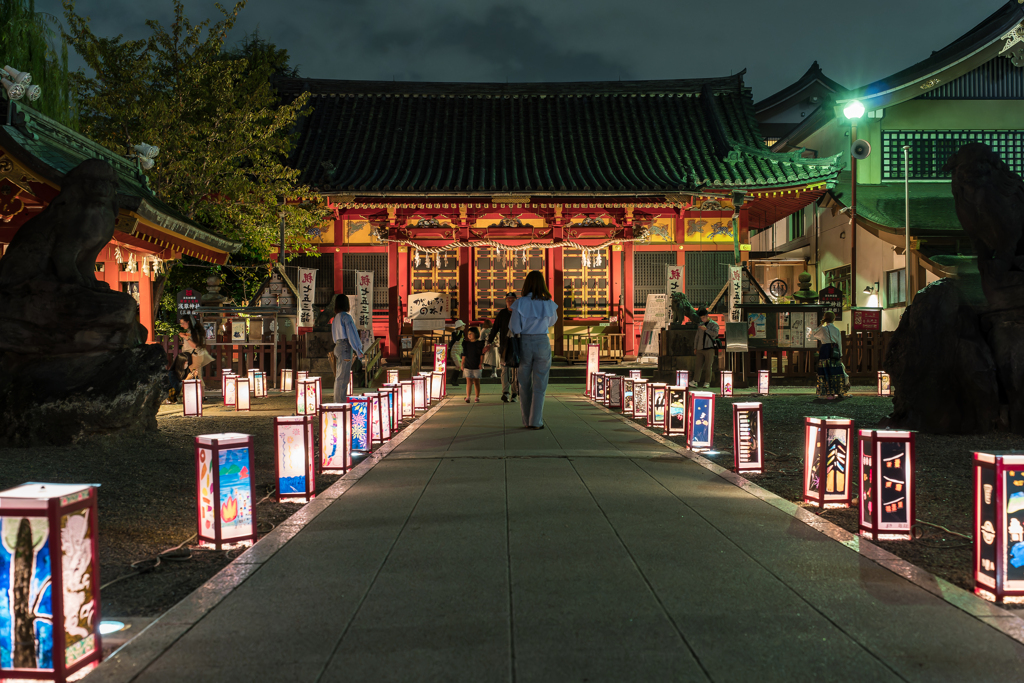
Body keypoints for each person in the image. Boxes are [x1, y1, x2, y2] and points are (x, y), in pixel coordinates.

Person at [510, 271, 559, 429]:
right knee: (540, 383)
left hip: (525, 342)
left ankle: (526, 420)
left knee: (524, 383)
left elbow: (515, 327)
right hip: (542, 341)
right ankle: (536, 421)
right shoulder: (548, 303)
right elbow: (552, 322)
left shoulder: (520, 303)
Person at [166, 315, 212, 403]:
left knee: (196, 374)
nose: (181, 325)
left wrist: (186, 337)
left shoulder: (193, 332)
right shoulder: (192, 331)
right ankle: (201, 396)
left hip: (195, 355)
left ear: (188, 322)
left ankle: (201, 396)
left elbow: (195, 345)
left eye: (183, 323)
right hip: (195, 355)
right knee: (196, 374)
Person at [485, 292, 519, 402]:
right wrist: (489, 342)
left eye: (512, 300)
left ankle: (515, 393)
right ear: (505, 302)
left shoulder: (519, 313)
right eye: (508, 300)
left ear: (516, 301)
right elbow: (495, 328)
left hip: (517, 346)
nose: (510, 302)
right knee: (505, 369)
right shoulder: (502, 314)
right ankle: (505, 392)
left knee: (516, 370)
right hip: (504, 346)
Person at [332, 294, 365, 403]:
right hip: (345, 347)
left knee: (339, 376)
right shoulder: (346, 317)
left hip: (338, 345)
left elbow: (334, 336)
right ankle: (340, 403)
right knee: (343, 377)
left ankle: (338, 401)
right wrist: (358, 349)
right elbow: (352, 334)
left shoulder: (335, 318)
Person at [812, 311, 848, 399]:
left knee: (825, 371)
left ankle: (827, 392)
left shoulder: (823, 329)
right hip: (835, 350)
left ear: (825, 319)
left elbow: (814, 334)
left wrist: (821, 324)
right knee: (836, 371)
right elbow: (839, 343)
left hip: (825, 350)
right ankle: (839, 391)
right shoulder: (836, 330)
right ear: (833, 319)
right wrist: (840, 354)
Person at [690, 307, 719, 389]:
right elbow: (697, 337)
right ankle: (695, 381)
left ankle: (707, 382)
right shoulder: (700, 325)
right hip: (700, 348)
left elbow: (715, 334)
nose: (702, 319)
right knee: (698, 365)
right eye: (701, 318)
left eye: (703, 317)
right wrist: (695, 347)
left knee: (708, 366)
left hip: (709, 348)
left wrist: (706, 330)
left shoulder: (714, 324)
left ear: (707, 316)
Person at [460, 326, 485, 403]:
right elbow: (464, 355)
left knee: (476, 382)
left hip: (477, 365)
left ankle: (477, 397)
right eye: (468, 334)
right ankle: (468, 397)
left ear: (476, 334)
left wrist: (481, 363)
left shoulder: (479, 344)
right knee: (468, 381)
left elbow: (481, 355)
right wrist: (462, 364)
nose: (469, 335)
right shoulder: (466, 344)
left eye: (471, 333)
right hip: (468, 364)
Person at [447, 319, 466, 386]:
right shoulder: (454, 333)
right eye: (462, 325)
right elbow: (457, 339)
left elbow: (463, 342)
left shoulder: (463, 333)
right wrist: (461, 331)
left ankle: (453, 380)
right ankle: (453, 380)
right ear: (459, 326)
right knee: (458, 365)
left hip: (459, 350)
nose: (464, 327)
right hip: (454, 351)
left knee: (458, 367)